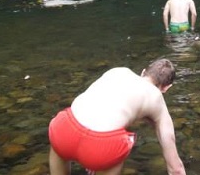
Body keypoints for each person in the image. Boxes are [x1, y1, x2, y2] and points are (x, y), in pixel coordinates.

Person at [48, 59, 186, 175]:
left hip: (64, 128)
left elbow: (99, 106)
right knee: (119, 143)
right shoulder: (157, 98)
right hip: (101, 147)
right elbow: (175, 168)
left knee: (64, 145)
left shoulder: (119, 71)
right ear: (166, 88)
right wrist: (94, 158)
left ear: (143, 72)